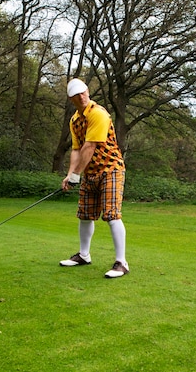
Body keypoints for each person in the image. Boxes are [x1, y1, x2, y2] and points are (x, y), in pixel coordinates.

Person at [59, 78, 129, 278]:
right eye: (76, 96)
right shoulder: (75, 120)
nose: (81, 97)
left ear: (88, 92)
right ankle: (83, 255)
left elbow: (90, 147)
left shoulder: (98, 114)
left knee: (111, 214)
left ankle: (121, 262)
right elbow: (76, 149)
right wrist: (70, 174)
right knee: (85, 215)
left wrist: (76, 174)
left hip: (111, 169)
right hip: (90, 172)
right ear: (71, 99)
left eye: (83, 93)